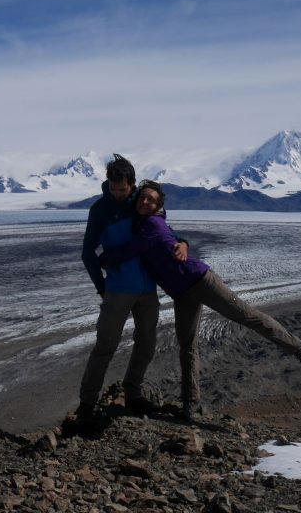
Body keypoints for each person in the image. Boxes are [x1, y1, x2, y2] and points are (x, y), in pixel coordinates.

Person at [98, 180, 301, 420]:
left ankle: (299, 348)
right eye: (142, 197)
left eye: (150, 199)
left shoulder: (151, 224)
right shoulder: (145, 222)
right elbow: (171, 235)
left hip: (201, 281)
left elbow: (128, 251)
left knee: (246, 315)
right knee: (187, 344)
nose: (145, 201)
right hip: (182, 293)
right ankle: (191, 402)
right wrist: (183, 242)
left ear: (157, 206)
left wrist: (100, 257)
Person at [77, 155, 188, 423]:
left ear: (132, 184)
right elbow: (87, 253)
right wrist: (102, 288)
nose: (117, 194)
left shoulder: (143, 202)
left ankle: (133, 394)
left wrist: (183, 242)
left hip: (147, 289)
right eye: (113, 189)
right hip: (117, 290)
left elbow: (165, 231)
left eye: (122, 189)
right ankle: (87, 404)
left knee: (147, 344)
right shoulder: (100, 210)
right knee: (105, 347)